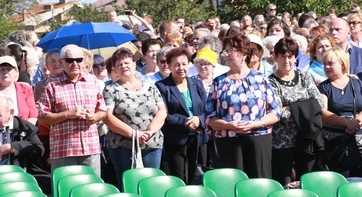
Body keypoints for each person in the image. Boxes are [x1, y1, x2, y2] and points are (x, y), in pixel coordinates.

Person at [205, 32, 280, 178]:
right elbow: (209, 117)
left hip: (258, 138)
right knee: (233, 182)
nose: (226, 55)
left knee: (259, 182)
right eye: (225, 51)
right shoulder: (219, 82)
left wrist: (257, 123)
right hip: (228, 141)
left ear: (244, 53)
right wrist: (229, 126)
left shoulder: (260, 79)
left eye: (230, 51)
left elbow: (275, 112)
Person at [38, 44, 107, 174]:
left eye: (78, 60)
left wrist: (95, 117)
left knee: (92, 188)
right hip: (64, 149)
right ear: (62, 62)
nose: (75, 64)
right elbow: (42, 118)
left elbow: (102, 111)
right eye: (70, 60)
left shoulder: (92, 80)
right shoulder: (51, 84)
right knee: (65, 189)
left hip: (90, 147)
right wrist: (68, 114)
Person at [103, 48, 166, 184]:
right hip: (123, 147)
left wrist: (149, 132)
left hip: (152, 144)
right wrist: (134, 134)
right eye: (119, 65)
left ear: (134, 64)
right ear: (115, 69)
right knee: (128, 184)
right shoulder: (110, 90)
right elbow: (107, 116)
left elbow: (162, 111)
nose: (124, 66)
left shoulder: (150, 87)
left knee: (152, 184)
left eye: (126, 63)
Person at [268, 38, 324, 186]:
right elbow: (278, 113)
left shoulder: (305, 76)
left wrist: (290, 107)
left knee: (308, 182)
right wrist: (305, 109)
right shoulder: (271, 82)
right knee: (283, 183)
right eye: (282, 56)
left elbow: (318, 103)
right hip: (282, 142)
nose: (286, 60)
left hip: (307, 138)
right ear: (276, 58)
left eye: (290, 56)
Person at [318, 48, 362, 176]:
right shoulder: (322, 88)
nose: (327, 67)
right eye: (325, 64)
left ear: (342, 64)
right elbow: (323, 112)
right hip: (336, 145)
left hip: (360, 141)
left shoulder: (358, 83)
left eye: (331, 63)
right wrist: (346, 123)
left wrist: (356, 122)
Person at [157, 47, 206, 183]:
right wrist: (188, 123)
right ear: (170, 66)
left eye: (184, 64)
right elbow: (164, 115)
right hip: (176, 139)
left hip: (198, 139)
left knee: (197, 178)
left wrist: (199, 120)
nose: (181, 68)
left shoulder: (196, 83)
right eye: (176, 64)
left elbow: (207, 109)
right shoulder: (162, 86)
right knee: (179, 179)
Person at [0, 56, 38, 125]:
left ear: (16, 71)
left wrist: (25, 131)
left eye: (9, 69)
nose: (5, 72)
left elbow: (33, 116)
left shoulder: (26, 89)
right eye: (2, 69)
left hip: (23, 131)